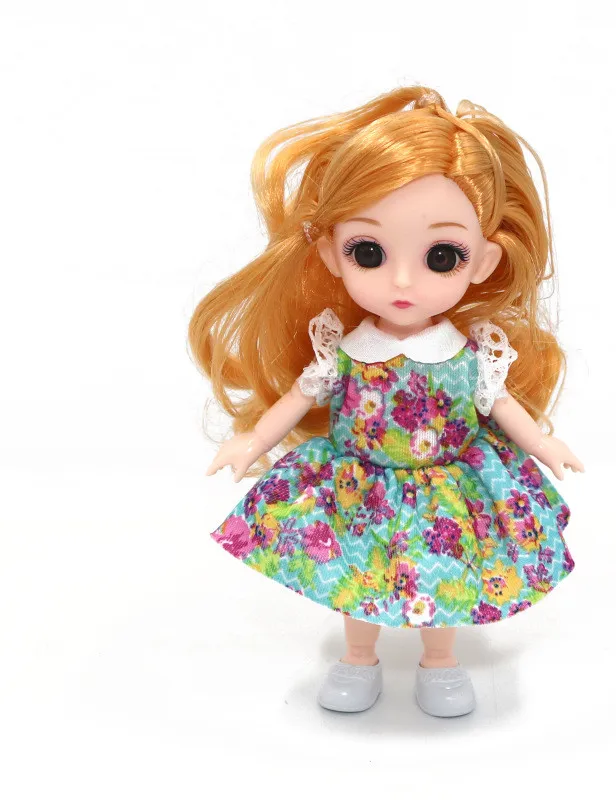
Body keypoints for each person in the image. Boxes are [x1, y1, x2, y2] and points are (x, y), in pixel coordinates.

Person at [189, 86, 584, 717]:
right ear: (331, 253)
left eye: (441, 257)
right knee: (357, 572)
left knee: (445, 573)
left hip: (446, 487)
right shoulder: (344, 352)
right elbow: (299, 395)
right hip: (360, 484)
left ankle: (440, 663)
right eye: (368, 253)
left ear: (483, 261)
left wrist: (541, 442)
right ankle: (359, 658)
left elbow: (499, 402)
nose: (402, 281)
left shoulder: (469, 355)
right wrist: (254, 440)